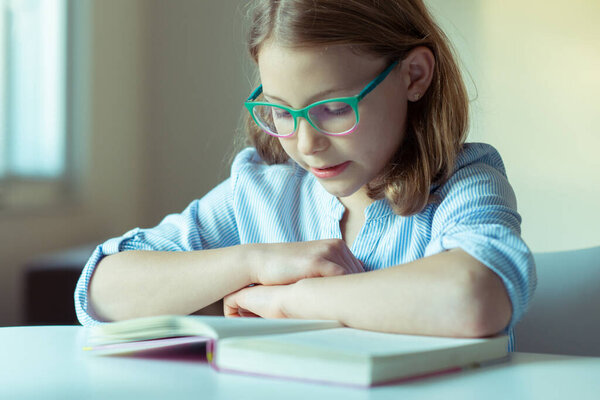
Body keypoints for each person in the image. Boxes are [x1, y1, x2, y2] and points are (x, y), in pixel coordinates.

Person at [75, 0, 536, 349]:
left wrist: (284, 301)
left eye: (334, 109)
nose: (306, 143)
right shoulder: (262, 190)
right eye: (279, 112)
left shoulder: (465, 181)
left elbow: (474, 298)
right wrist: (252, 263)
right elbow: (100, 291)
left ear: (414, 76)